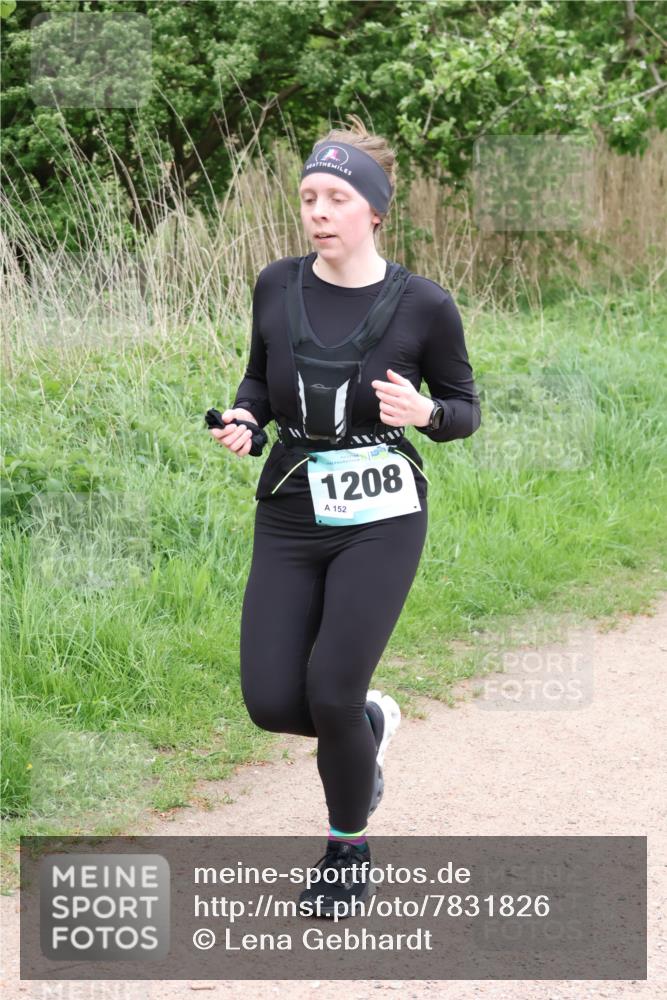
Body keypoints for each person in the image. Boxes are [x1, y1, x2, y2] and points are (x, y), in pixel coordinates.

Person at [209, 115, 481, 918]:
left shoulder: (425, 306)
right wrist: (246, 421)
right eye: (307, 197)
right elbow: (257, 381)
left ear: (373, 209)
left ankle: (345, 851)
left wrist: (426, 413)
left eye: (335, 197)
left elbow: (465, 409)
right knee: (271, 701)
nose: (317, 211)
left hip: (383, 513)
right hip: (292, 507)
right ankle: (367, 726)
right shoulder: (275, 284)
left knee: (328, 686)